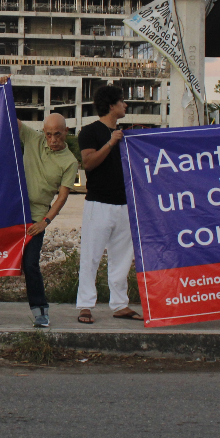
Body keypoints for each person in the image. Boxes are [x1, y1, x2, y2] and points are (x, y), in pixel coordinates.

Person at [0, 76, 78, 328]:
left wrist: (46, 222)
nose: (53, 139)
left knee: (30, 265)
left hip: (35, 218)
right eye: (49, 134)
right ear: (44, 132)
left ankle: (41, 311)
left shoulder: (70, 161)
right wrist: (2, 89)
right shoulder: (34, 139)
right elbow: (10, 117)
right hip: (10, 212)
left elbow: (62, 196)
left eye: (57, 135)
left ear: (66, 132)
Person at [75, 85, 141, 323]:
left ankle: (120, 304)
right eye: (122, 101)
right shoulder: (90, 132)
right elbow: (89, 163)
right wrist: (111, 143)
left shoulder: (125, 136)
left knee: (122, 257)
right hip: (98, 203)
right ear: (111, 105)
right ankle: (84, 305)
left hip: (124, 203)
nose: (125, 105)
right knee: (91, 256)